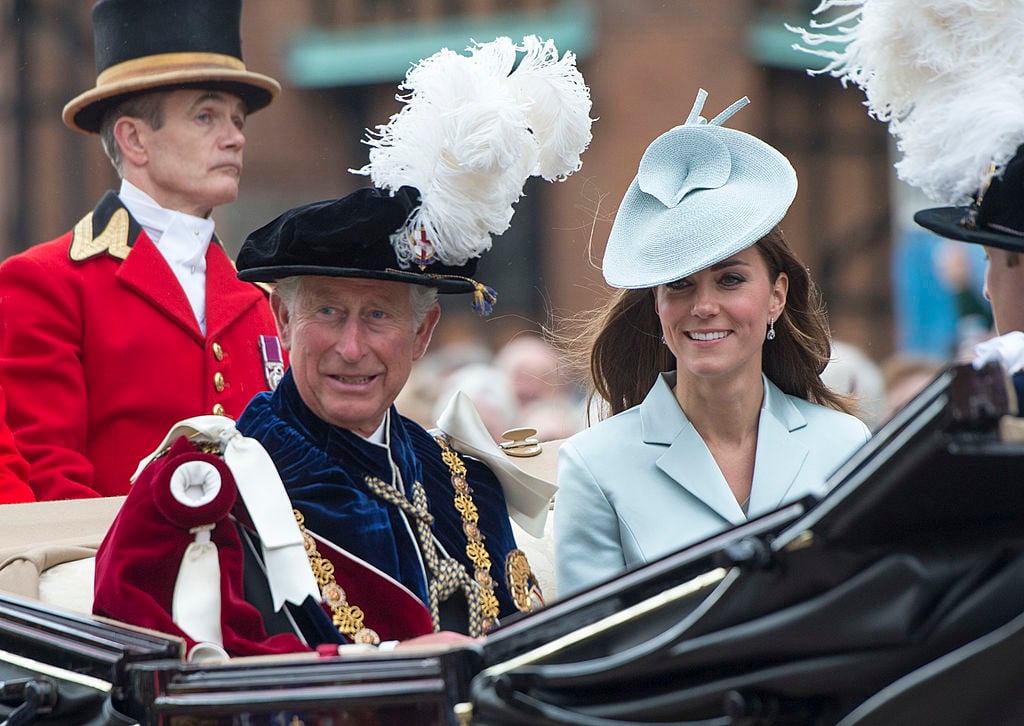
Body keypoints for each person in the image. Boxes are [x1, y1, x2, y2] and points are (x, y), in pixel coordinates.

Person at [231, 35, 591, 644]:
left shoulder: (466, 484)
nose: (352, 347)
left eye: (378, 316)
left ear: (422, 334)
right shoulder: (221, 486)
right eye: (328, 311)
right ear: (283, 319)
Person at [554, 89, 872, 597]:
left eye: (730, 280)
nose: (703, 306)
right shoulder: (594, 465)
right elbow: (592, 638)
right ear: (657, 304)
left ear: (776, 296)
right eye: (680, 284)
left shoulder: (844, 445)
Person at [0, 0, 284, 500]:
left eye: (238, 121)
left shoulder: (257, 297)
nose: (235, 138)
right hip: (106, 551)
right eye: (206, 116)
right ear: (133, 139)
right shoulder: (47, 281)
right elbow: (49, 477)